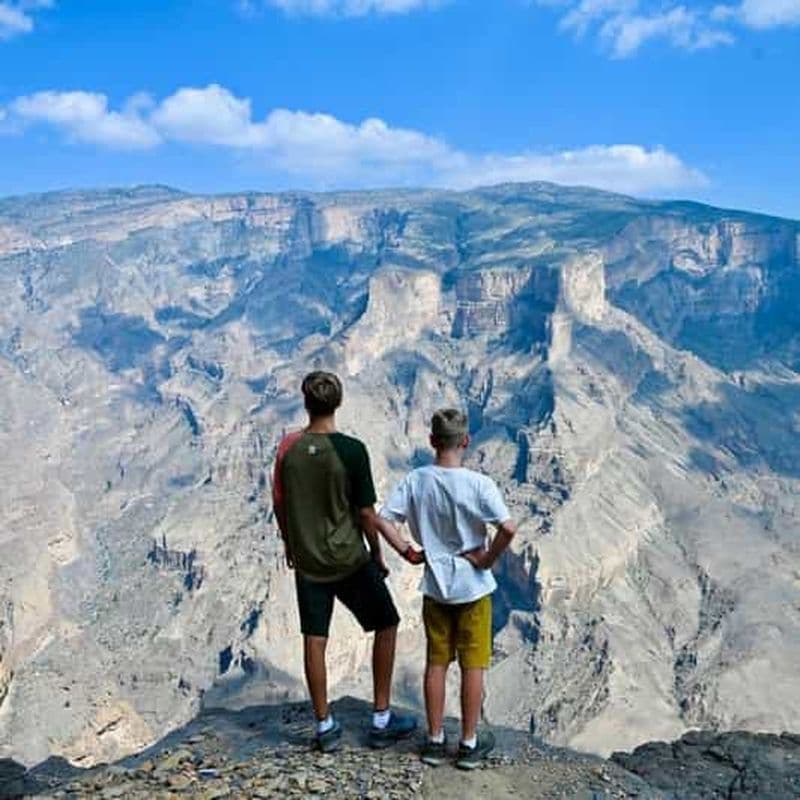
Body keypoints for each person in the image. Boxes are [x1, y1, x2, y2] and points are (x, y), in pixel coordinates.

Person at [272, 370, 423, 752]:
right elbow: (366, 513)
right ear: (337, 403)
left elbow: (279, 503)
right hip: (348, 560)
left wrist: (291, 544)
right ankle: (381, 719)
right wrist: (377, 555)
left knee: (314, 639)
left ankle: (324, 725)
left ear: (306, 403)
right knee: (387, 623)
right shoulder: (351, 450)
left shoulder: (288, 448)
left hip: (308, 562)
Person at [378, 408, 517, 770]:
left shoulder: (416, 480)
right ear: (466, 441)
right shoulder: (479, 484)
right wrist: (486, 560)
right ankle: (469, 744)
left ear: (432, 442)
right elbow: (509, 528)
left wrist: (407, 551)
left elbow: (382, 519)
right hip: (473, 589)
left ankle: (435, 740)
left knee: (436, 663)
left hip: (436, 588)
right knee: (474, 666)